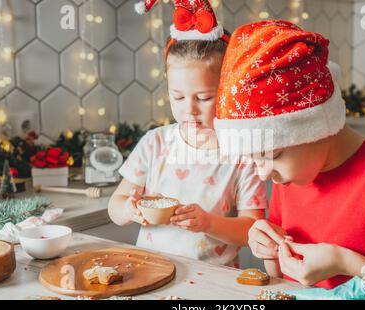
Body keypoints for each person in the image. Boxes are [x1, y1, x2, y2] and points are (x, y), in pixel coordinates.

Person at [213, 20, 365, 298]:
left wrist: (346, 263)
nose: (262, 174)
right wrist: (270, 251)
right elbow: (284, 282)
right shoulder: (291, 177)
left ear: (313, 127)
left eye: (271, 155)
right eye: (254, 160)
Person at [108, 0, 267, 267]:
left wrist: (208, 223)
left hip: (214, 283)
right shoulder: (155, 143)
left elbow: (253, 230)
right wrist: (129, 208)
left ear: (227, 92)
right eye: (178, 97)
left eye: (204, 98)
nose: (189, 110)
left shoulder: (243, 154)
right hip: (152, 273)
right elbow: (115, 207)